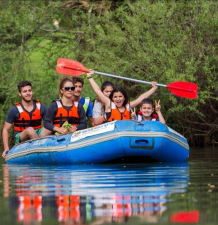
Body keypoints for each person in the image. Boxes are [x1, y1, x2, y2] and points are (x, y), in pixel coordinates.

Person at [86, 70, 158, 122]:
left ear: (124, 98)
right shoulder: (109, 104)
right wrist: (89, 77)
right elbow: (97, 90)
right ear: (112, 98)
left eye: (120, 96)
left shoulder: (128, 106)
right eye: (115, 97)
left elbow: (141, 98)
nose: (118, 99)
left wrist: (153, 89)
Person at [2, 81, 47, 159]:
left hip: (38, 132)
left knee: (49, 128)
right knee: (30, 130)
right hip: (21, 136)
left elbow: (49, 123)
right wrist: (6, 148)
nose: (28, 93)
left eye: (29, 90)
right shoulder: (14, 109)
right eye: (25, 91)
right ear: (20, 94)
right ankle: (41, 152)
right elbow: (5, 130)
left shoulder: (41, 106)